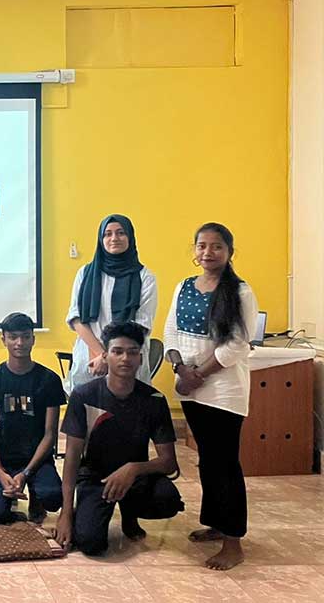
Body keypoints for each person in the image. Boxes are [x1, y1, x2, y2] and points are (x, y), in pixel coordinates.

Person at [164, 222, 258, 570]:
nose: (208, 252)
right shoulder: (183, 286)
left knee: (224, 463)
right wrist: (179, 369)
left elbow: (238, 344)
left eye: (216, 246)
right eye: (202, 245)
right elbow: (171, 331)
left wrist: (198, 375)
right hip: (191, 387)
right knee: (207, 460)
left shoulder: (241, 292)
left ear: (229, 251)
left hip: (223, 390)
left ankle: (234, 543)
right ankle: (217, 524)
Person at [56, 321, 184, 557]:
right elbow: (72, 459)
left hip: (135, 479)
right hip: (95, 478)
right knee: (90, 544)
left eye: (132, 352)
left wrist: (133, 469)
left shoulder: (154, 400)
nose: (125, 358)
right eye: (117, 351)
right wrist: (65, 514)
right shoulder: (84, 396)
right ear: (105, 356)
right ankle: (88, 510)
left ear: (141, 358)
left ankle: (129, 513)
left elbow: (169, 463)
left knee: (167, 499)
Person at [0, 312, 65, 525]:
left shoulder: (49, 379)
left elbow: (50, 434)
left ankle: (36, 496)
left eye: (25, 336)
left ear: (33, 339)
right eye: (13, 337)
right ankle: (11, 498)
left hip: (37, 458)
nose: (19, 343)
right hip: (4, 459)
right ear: (3, 340)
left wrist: (26, 473)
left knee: (53, 497)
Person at [65, 214, 157, 392]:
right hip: (90, 359)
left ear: (130, 237)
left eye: (121, 233)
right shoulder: (85, 273)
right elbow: (76, 318)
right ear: (101, 239)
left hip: (127, 359)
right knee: (88, 406)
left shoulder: (145, 277)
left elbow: (140, 325)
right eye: (108, 234)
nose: (114, 238)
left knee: (130, 407)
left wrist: (111, 357)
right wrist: (102, 355)